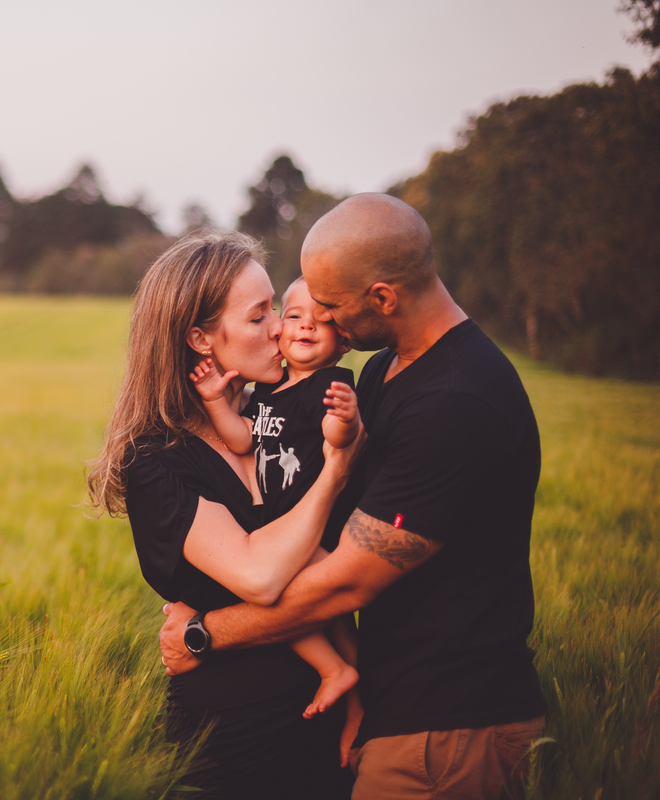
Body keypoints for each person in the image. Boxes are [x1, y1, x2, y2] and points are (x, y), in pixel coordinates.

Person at [159, 194, 547, 800]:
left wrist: (204, 634)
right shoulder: (386, 370)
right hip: (404, 712)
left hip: (449, 729)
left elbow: (348, 581)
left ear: (383, 297)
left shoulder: (455, 402)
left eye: (333, 307)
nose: (316, 324)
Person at [86, 231, 362, 798]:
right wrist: (336, 472)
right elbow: (260, 576)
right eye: (259, 316)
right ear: (200, 339)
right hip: (237, 737)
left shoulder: (274, 418)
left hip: (332, 719)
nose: (280, 329)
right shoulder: (156, 460)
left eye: (275, 310)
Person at [189, 276, 362, 722]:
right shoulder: (269, 389)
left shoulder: (329, 384)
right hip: (278, 524)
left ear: (343, 341)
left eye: (321, 321)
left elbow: (335, 436)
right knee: (311, 606)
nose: (306, 326)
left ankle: (342, 674)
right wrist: (215, 401)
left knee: (313, 603)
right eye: (294, 315)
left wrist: (346, 420)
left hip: (311, 519)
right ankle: (342, 673)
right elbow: (244, 439)